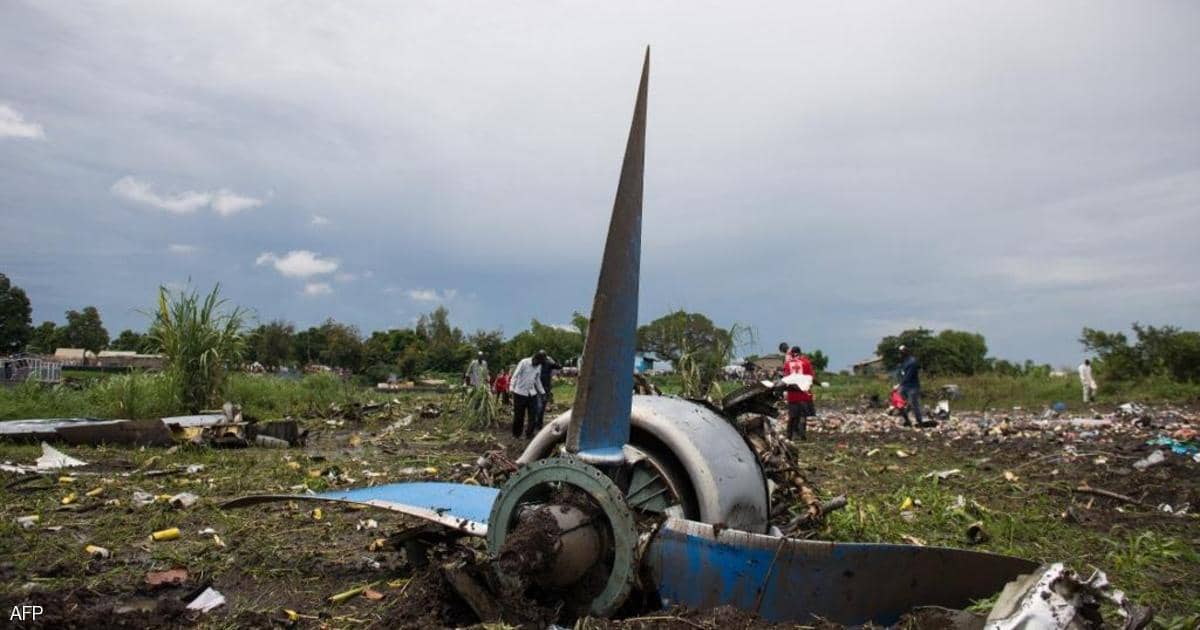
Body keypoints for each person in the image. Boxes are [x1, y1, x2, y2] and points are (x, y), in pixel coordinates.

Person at [510, 351, 546, 438]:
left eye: (540, 363)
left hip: (532, 394)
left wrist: (543, 392)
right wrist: (511, 388)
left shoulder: (539, 366)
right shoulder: (524, 362)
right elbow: (515, 375)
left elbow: (537, 380)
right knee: (519, 416)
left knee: (533, 415)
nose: (538, 365)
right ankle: (516, 434)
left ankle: (529, 434)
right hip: (520, 393)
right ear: (534, 359)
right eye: (537, 362)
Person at [782, 346, 815, 440]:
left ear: (792, 354)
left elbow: (786, 380)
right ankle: (802, 435)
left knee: (792, 416)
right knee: (803, 416)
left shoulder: (788, 364)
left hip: (793, 395)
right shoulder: (806, 362)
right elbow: (810, 378)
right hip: (805, 395)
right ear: (800, 352)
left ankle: (789, 436)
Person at [898, 345, 935, 428]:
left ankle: (920, 422)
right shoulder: (904, 361)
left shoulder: (912, 361)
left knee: (915, 405)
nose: (901, 353)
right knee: (900, 404)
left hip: (912, 387)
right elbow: (902, 374)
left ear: (907, 351)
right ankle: (907, 420)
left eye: (903, 351)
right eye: (900, 352)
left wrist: (899, 385)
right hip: (905, 386)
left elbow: (908, 375)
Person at [534, 351, 562, 433]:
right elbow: (559, 366)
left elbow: (559, 367)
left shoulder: (546, 363)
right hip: (540, 388)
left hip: (543, 388)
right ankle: (537, 423)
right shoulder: (543, 363)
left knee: (541, 406)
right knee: (540, 406)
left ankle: (538, 423)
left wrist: (555, 361)